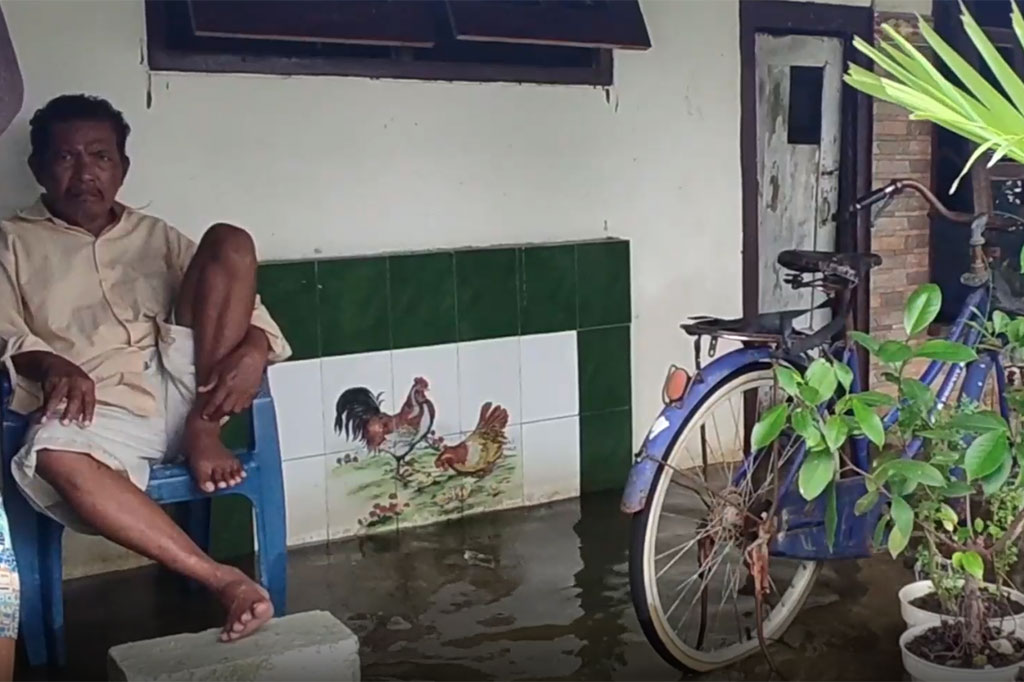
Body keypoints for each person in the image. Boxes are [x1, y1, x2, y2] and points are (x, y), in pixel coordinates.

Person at [0, 94, 292, 643]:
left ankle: (202, 434)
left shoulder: (156, 236)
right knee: (52, 454)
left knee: (230, 241)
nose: (85, 172)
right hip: (96, 404)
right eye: (65, 158)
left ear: (123, 167)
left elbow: (248, 312)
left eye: (100, 156)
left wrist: (254, 348)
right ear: (38, 168)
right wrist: (52, 361)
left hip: (188, 387)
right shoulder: (11, 242)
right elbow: (6, 332)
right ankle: (221, 579)